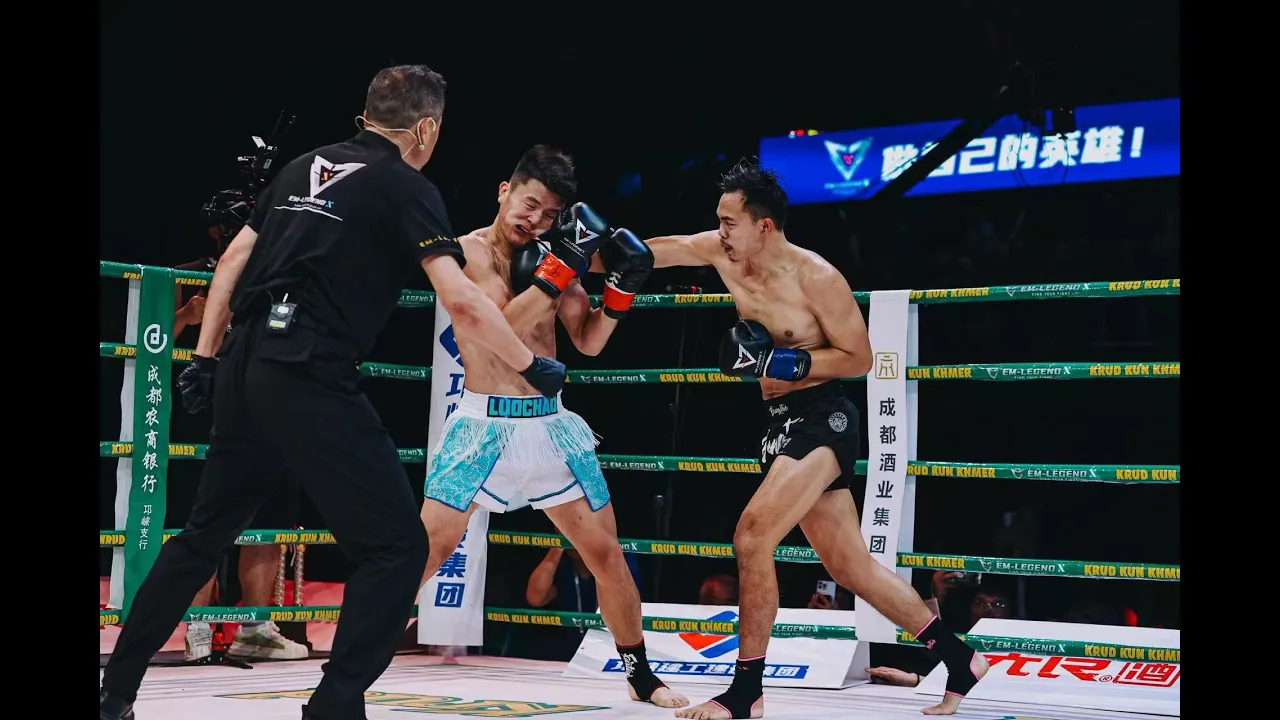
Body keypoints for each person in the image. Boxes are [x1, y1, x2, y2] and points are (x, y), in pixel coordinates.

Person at [99, 64, 567, 720]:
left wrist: (205, 359)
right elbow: (460, 299)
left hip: (245, 360)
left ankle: (115, 692)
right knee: (398, 547)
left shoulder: (303, 167)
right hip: (308, 368)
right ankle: (335, 705)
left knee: (204, 535)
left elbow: (232, 262)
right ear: (425, 129)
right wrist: (532, 364)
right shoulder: (407, 186)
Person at [634, 159, 988, 719]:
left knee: (753, 536)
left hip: (824, 418)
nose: (719, 232)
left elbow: (860, 356)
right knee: (850, 567)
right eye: (719, 221)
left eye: (729, 222)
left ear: (764, 225)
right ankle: (959, 658)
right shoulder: (723, 253)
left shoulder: (816, 277)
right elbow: (654, 251)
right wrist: (584, 253)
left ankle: (746, 692)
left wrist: (789, 362)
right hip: (778, 420)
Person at [416, 145, 688, 710]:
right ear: (504, 191)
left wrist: (621, 292)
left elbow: (588, 341)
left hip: (549, 429)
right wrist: (558, 270)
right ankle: (355, 662)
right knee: (425, 551)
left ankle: (640, 675)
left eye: (549, 215)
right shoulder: (464, 254)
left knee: (606, 555)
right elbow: (497, 329)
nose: (535, 220)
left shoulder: (552, 255)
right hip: (481, 427)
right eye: (529, 204)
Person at [171, 217, 308, 662]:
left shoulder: (282, 275)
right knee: (207, 522)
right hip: (206, 410)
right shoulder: (186, 275)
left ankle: (256, 629)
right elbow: (145, 341)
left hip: (269, 407)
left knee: (268, 518)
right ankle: (198, 628)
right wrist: (187, 316)